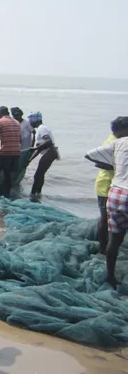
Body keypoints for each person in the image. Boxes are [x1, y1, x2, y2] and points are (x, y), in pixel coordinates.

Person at [84, 117, 128, 288]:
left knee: (115, 240)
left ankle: (110, 276)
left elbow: (89, 154)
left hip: (115, 193)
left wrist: (115, 164)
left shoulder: (117, 143)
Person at [87, 130, 119, 255]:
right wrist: (118, 166)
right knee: (105, 218)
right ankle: (103, 248)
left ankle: (108, 246)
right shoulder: (112, 142)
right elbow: (94, 159)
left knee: (110, 218)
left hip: (113, 185)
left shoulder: (117, 141)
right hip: (106, 185)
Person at [27, 111, 58, 199]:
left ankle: (33, 195)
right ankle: (37, 193)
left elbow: (48, 141)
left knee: (38, 175)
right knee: (40, 174)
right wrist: (29, 160)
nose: (29, 123)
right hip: (50, 153)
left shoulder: (42, 128)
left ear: (34, 120)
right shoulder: (41, 128)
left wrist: (35, 148)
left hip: (49, 153)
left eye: (30, 121)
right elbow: (40, 148)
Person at [0, 106, 21, 198]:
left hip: (6, 151)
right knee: (8, 172)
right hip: (16, 152)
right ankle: (7, 192)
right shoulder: (17, 122)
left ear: (0, 113)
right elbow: (20, 139)